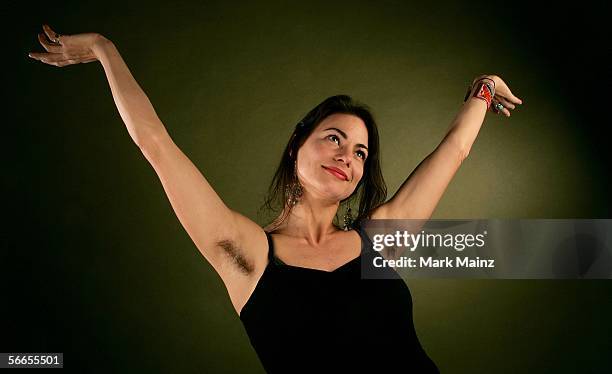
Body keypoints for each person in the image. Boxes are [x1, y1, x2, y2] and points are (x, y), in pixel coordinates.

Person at [29, 24, 523, 373]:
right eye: (332, 138)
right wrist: (103, 48)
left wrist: (482, 90)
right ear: (296, 147)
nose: (346, 156)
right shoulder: (246, 254)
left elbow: (455, 150)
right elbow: (155, 145)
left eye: (359, 152)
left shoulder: (381, 241)